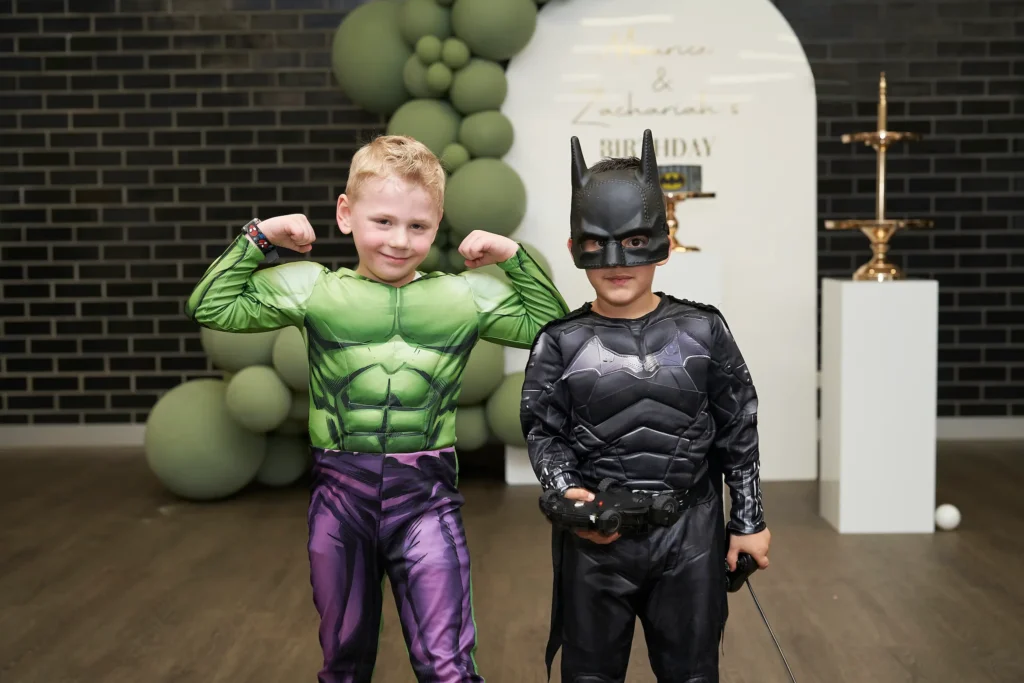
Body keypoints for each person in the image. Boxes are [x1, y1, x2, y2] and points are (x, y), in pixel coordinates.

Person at [185, 134, 569, 683]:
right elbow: (210, 304)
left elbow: (554, 329)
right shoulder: (314, 289)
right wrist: (261, 235)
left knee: (449, 667)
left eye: (418, 226)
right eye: (383, 221)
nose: (399, 240)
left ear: (438, 224)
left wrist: (512, 256)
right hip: (341, 495)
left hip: (427, 497)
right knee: (344, 662)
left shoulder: (462, 297)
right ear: (346, 214)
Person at [519, 129, 771, 683]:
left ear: (662, 241)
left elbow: (738, 426)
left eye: (635, 241)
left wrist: (748, 519)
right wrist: (566, 492)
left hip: (691, 535)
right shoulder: (559, 342)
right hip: (596, 540)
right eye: (597, 243)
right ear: (573, 246)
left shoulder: (703, 329)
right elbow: (544, 430)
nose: (616, 260)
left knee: (692, 672)